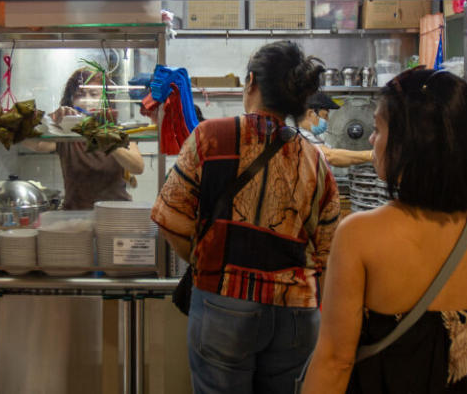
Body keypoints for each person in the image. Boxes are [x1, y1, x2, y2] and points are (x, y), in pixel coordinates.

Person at [301, 68, 467, 394]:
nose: (371, 140)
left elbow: (335, 360)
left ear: (409, 144)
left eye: (379, 129)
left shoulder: (360, 235)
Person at [151, 40, 341, 394]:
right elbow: (329, 252)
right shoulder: (316, 161)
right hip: (298, 314)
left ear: (251, 82)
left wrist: (201, 258)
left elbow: (169, 217)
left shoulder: (212, 137)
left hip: (224, 301)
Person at [29, 67, 144, 209]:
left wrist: (102, 136)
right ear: (71, 101)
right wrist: (50, 121)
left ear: (105, 101)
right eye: (79, 94)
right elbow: (35, 144)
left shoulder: (118, 130)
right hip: (75, 214)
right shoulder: (66, 134)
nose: (87, 101)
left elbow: (137, 167)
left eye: (94, 94)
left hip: (115, 213)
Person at [294, 91, 373, 167]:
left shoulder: (313, 137)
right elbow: (330, 156)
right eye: (325, 115)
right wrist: (372, 155)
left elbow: (338, 156)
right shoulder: (296, 136)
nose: (327, 120)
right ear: (310, 114)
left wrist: (370, 156)